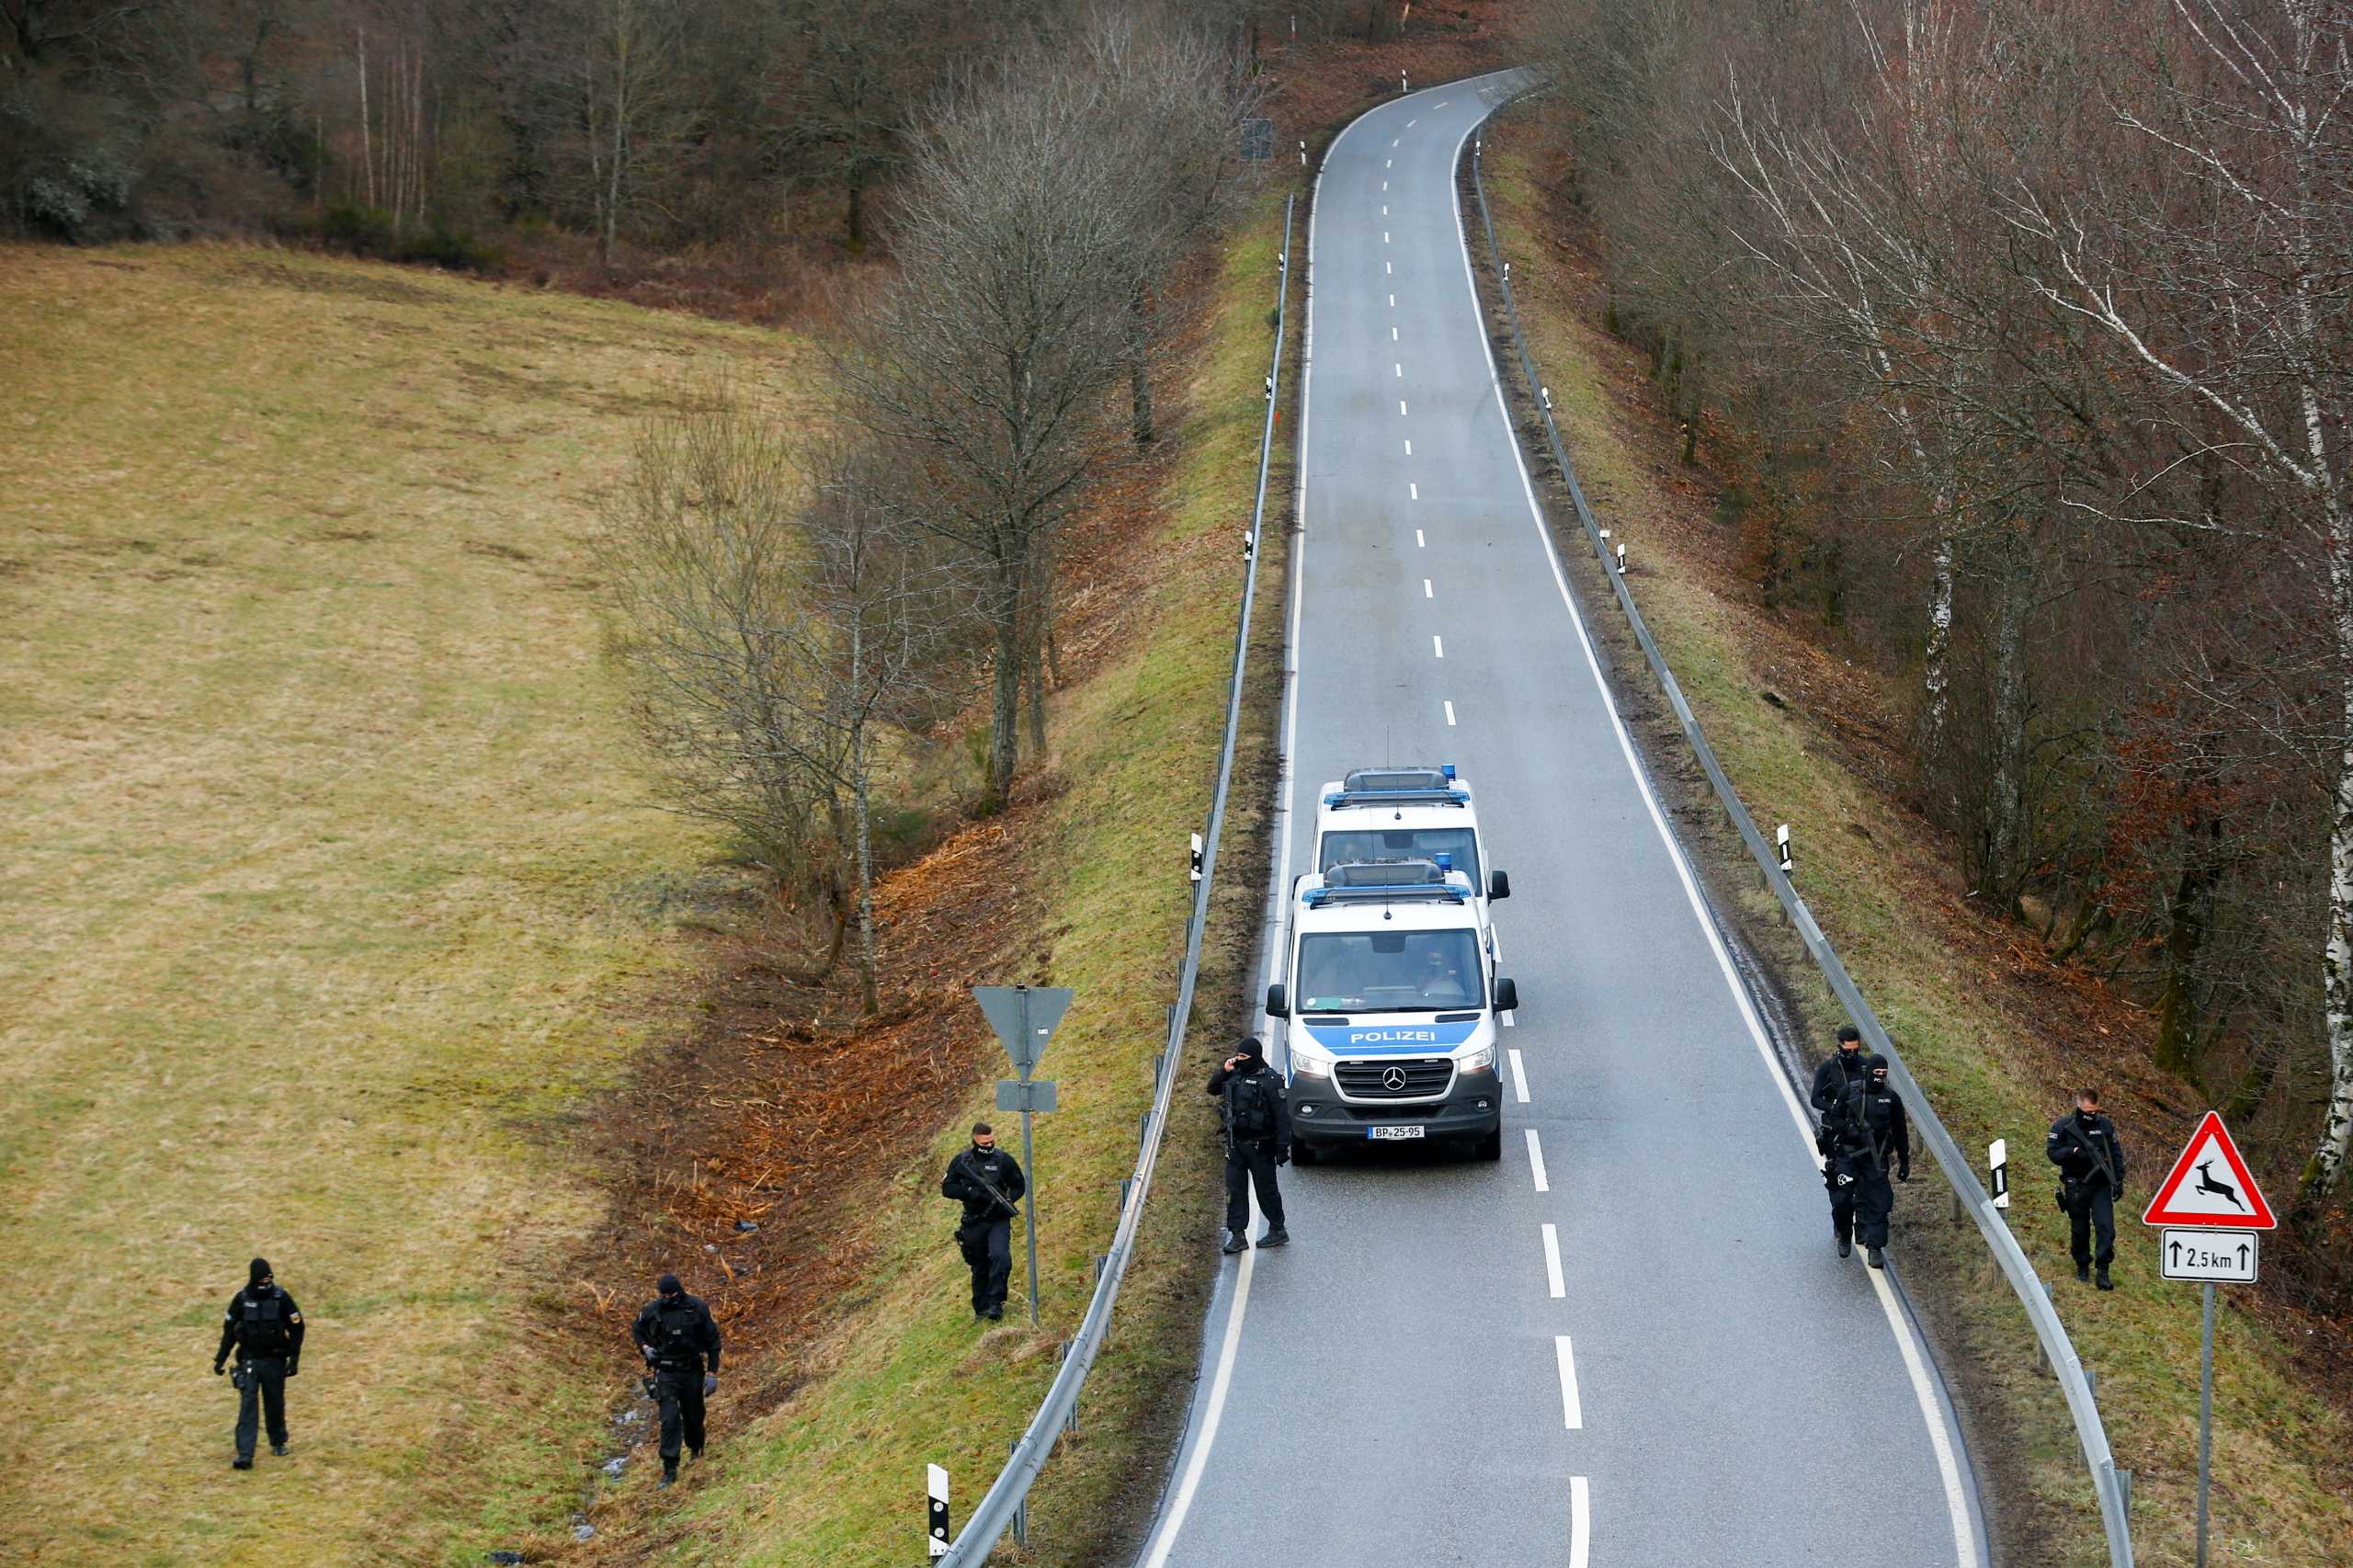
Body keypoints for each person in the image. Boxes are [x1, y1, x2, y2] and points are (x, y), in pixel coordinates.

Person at [211, 1257, 304, 1470]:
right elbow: (229, 1332)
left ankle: (278, 1441)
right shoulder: (242, 1299)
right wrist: (220, 1359)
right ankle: (245, 1454)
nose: (266, 1282)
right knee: (248, 1408)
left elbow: (298, 1327)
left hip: (275, 1360)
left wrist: (294, 1359)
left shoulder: (281, 1298)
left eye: (269, 1278)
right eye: (262, 1278)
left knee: (275, 1403)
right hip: (249, 1361)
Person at [631, 1273, 722, 1487]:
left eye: (671, 1294)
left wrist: (712, 1373)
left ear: (679, 1291)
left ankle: (696, 1448)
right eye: (664, 1295)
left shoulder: (697, 1307)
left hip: (691, 1370)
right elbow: (637, 1330)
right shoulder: (652, 1310)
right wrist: (645, 1348)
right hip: (665, 1372)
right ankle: (669, 1469)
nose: (668, 1298)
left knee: (693, 1415)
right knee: (669, 1419)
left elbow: (713, 1341)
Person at [1208, 1037, 1290, 1254]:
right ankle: (1237, 1235)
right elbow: (1212, 1089)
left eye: (1244, 1057)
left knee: (1266, 1191)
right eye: (1238, 1056)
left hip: (1261, 1147)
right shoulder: (1234, 1075)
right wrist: (1224, 1071)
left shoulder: (1271, 1081)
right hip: (1236, 1146)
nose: (1240, 1060)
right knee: (1235, 1191)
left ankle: (1277, 1229)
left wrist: (1282, 1147)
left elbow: (1282, 1116)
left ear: (1255, 1057)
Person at [1827, 1054, 1910, 1269]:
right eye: (1876, 1073)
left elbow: (1901, 1131)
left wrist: (1904, 1161)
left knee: (1880, 1203)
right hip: (1849, 1155)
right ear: (1868, 1072)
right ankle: (1845, 1234)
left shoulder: (1891, 1099)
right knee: (1842, 1199)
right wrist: (1850, 1130)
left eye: (1884, 1074)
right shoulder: (1849, 1092)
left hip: (1876, 1158)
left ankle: (1875, 1247)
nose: (1880, 1077)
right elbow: (1833, 1118)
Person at [940, 1123, 1025, 1321]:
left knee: (1000, 1257)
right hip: (974, 1221)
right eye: (984, 1143)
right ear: (975, 1141)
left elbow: (1019, 1185)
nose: (988, 1145)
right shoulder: (962, 1162)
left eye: (991, 1142)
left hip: (998, 1220)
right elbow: (948, 1188)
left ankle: (996, 1303)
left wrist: (1007, 1201)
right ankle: (981, 1308)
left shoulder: (1004, 1160)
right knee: (979, 1264)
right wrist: (970, 1193)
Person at [2047, 1089, 2127, 1290]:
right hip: (2076, 1184)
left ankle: (2103, 1271)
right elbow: (2053, 1152)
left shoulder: (2105, 1126)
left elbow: (2116, 1154)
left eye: (2095, 1111)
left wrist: (2118, 1180)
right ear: (2080, 1106)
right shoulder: (2063, 1126)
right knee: (2080, 1229)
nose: (2091, 1115)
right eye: (2088, 1111)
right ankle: (2082, 1265)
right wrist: (2073, 1153)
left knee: (2106, 1228)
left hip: (2101, 1184)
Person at [1809, 1026, 1870, 1257]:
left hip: (1861, 1133)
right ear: (1840, 1046)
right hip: (1836, 1134)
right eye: (1848, 1051)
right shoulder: (1828, 1069)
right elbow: (1816, 1099)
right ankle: (1842, 1225)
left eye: (1856, 1050)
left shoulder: (1865, 1066)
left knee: (1866, 1181)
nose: (1852, 1055)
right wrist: (1836, 1108)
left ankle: (1862, 1226)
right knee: (1839, 1184)